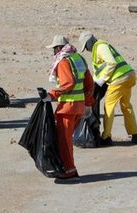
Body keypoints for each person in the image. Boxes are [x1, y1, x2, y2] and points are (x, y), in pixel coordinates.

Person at [40, 35, 95, 180]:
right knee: (67, 139)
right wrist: (88, 103)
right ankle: (69, 167)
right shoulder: (79, 59)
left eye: (54, 49)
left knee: (64, 141)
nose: (53, 53)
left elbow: (68, 83)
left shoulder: (64, 62)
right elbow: (89, 84)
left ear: (58, 48)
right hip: (79, 107)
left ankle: (69, 170)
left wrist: (51, 95)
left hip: (67, 107)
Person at [77, 32, 137, 145]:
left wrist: (101, 81)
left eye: (86, 47)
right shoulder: (101, 48)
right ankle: (135, 134)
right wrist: (94, 84)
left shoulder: (100, 47)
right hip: (129, 75)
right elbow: (100, 70)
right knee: (126, 105)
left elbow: (111, 63)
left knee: (109, 106)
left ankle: (106, 137)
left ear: (89, 42)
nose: (86, 49)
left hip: (119, 79)